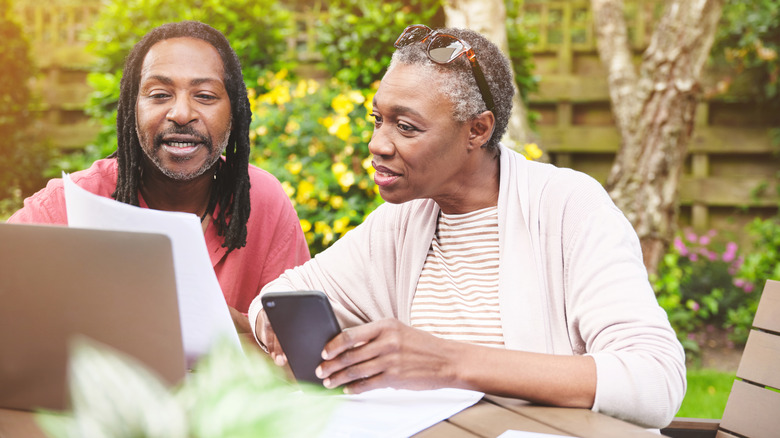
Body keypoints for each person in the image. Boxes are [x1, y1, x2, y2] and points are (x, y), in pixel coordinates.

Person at [249, 25, 686, 428]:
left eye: (405, 126)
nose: (378, 144)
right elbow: (279, 299)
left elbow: (655, 380)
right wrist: (290, 335)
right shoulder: (403, 222)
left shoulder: (568, 206)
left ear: (477, 130)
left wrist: (446, 363)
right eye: (377, 119)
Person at [8, 21, 309, 332]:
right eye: (160, 94)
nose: (181, 113)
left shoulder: (263, 202)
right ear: (132, 107)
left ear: (233, 111)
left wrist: (229, 329)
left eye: (204, 95)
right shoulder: (63, 209)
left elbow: (298, 350)